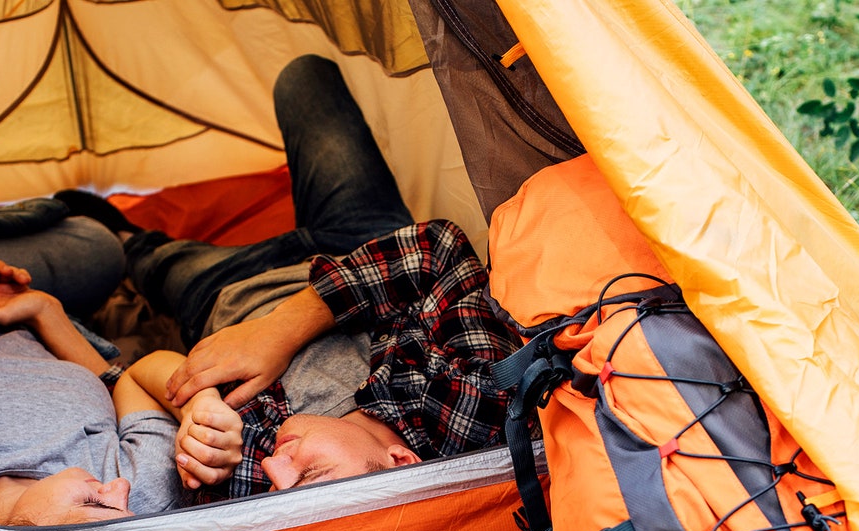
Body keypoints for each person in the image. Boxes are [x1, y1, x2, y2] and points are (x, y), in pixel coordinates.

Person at [63, 54, 520, 497]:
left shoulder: (249, 474)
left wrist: (198, 409)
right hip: (356, 242)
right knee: (305, 76)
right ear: (400, 460)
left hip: (227, 287)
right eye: (309, 476)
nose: (274, 470)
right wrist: (276, 333)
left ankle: (114, 230)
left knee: (137, 253)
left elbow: (135, 378)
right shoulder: (467, 409)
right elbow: (438, 249)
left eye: (281, 490)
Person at [0, 257, 244, 525]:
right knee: (98, 249)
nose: (121, 489)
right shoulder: (140, 502)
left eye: (97, 504)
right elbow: (132, 377)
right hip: (20, 313)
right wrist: (200, 406)